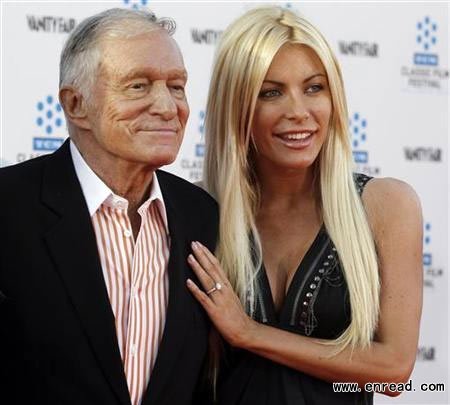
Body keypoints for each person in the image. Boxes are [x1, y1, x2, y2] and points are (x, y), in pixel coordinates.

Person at [186, 6, 423, 404]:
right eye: (270, 92)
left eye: (314, 88)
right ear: (237, 106)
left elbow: (394, 370)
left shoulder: (385, 206)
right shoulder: (197, 209)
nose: (299, 112)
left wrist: (250, 333)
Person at [0, 8, 218, 405]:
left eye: (177, 86)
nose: (168, 107)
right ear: (75, 104)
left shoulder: (203, 217)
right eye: (138, 86)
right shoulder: (8, 208)